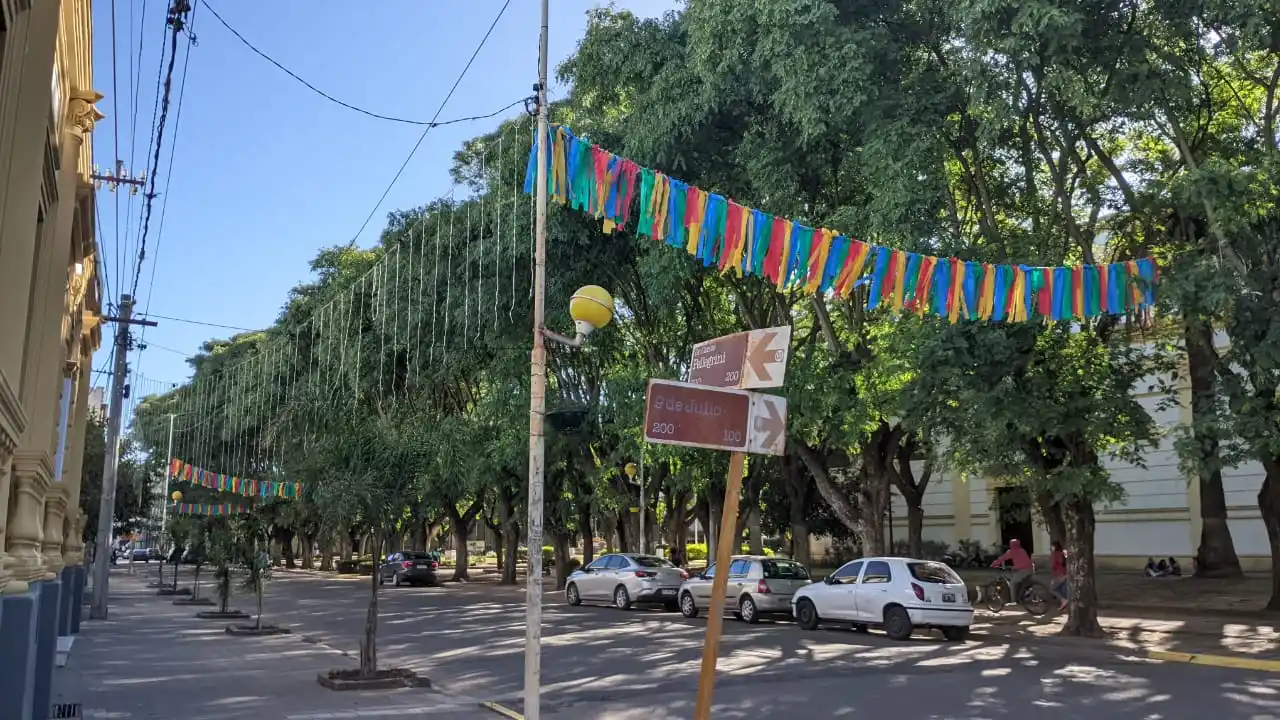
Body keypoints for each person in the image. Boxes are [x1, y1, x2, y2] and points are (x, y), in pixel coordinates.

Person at [1050, 540, 1068, 612]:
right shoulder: (1063, 553)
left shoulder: (1055, 554)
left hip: (1059, 575)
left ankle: (1063, 600)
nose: (1051, 548)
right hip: (1065, 574)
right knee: (1063, 590)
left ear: (1054, 547)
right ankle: (1065, 606)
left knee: (1052, 589)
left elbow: (1053, 565)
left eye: (1052, 546)